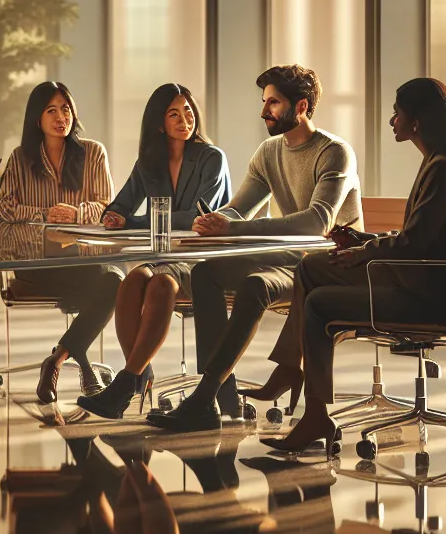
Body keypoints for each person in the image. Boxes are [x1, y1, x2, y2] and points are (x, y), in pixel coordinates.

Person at [251, 78, 446, 453]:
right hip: (430, 284)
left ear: (416, 121)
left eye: (397, 112)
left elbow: (414, 243)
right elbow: (421, 236)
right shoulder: (444, 162)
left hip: (430, 298)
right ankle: (292, 368)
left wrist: (365, 252)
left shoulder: (442, 170)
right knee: (312, 267)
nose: (392, 120)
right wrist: (362, 242)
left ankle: (314, 410)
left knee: (318, 303)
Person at [149, 65, 364, 433]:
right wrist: (215, 219)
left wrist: (235, 227)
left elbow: (316, 221)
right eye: (264, 102)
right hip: (288, 257)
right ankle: (221, 395)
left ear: (301, 106)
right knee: (205, 272)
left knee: (255, 286)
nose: (264, 111)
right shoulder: (268, 152)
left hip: (328, 265)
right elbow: (239, 207)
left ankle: (203, 398)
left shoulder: (335, 153)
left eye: (274, 103)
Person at [78, 84, 231, 420]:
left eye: (188, 111)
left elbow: (198, 218)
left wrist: (133, 222)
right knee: (132, 280)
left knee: (160, 283)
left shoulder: (211, 159)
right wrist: (114, 216)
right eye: (174, 114)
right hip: (162, 255)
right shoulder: (149, 162)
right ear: (160, 124)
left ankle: (126, 384)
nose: (184, 119)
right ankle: (137, 375)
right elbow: (117, 207)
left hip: (202, 260)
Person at [0, 80, 121, 402]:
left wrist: (77, 213)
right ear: (38, 119)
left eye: (66, 109)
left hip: (81, 260)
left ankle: (57, 360)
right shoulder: (21, 158)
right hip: (33, 262)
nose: (61, 116)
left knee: (114, 282)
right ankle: (83, 364)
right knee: (100, 289)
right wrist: (46, 214)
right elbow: (1, 207)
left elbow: (107, 205)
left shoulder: (92, 153)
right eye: (52, 110)